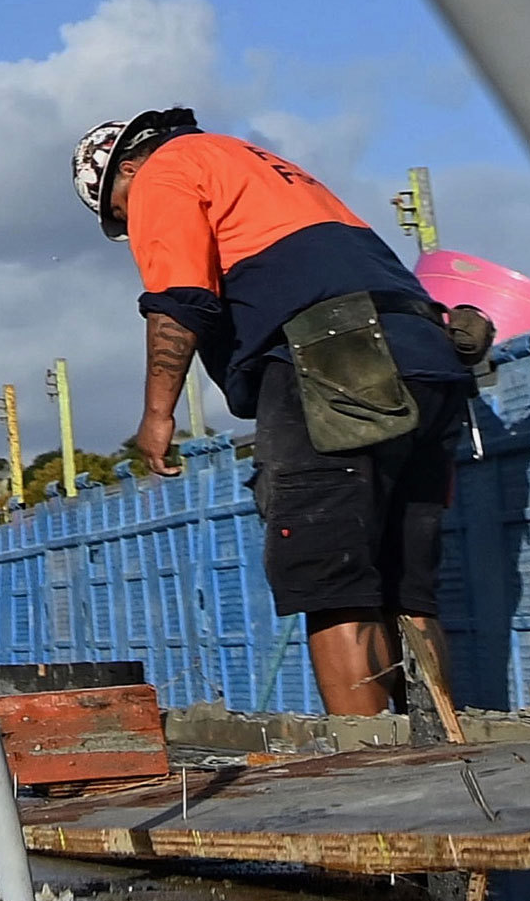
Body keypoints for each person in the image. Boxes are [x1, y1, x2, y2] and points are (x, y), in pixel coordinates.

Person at [79, 108, 469, 720]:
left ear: (127, 168)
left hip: (336, 361)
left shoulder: (167, 169)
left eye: (120, 214)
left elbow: (180, 297)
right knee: (407, 589)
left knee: (331, 581)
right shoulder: (262, 167)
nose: (131, 228)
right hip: (430, 358)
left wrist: (158, 413)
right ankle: (447, 747)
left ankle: (369, 769)